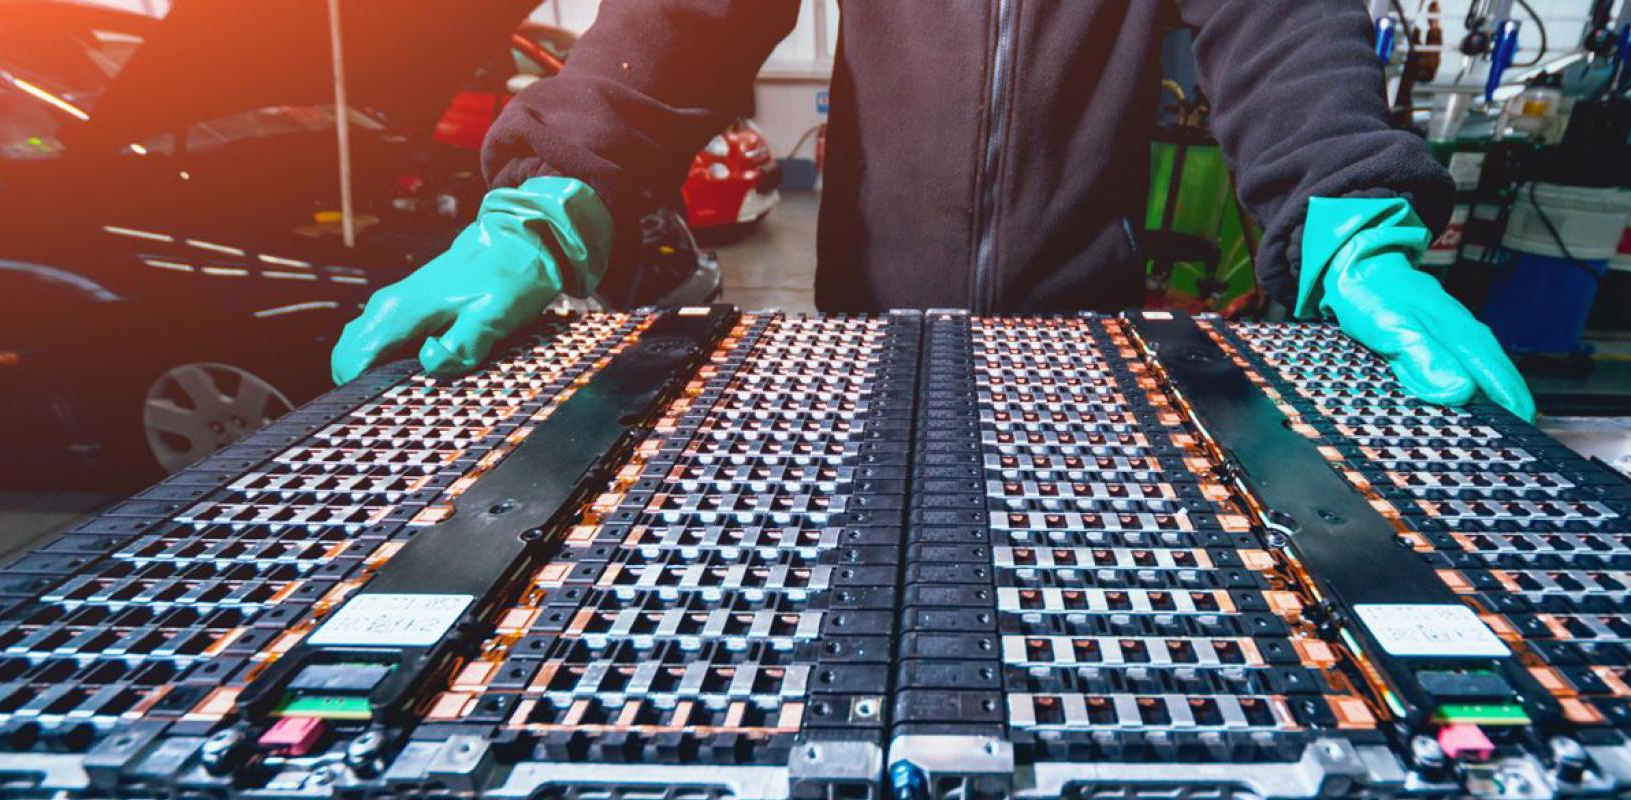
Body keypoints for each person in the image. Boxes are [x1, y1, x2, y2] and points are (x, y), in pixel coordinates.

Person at [329, 0, 1535, 420]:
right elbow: (677, 19)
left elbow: (1280, 31)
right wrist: (548, 194)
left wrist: (1347, 210)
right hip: (871, 341)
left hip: (1083, 354)